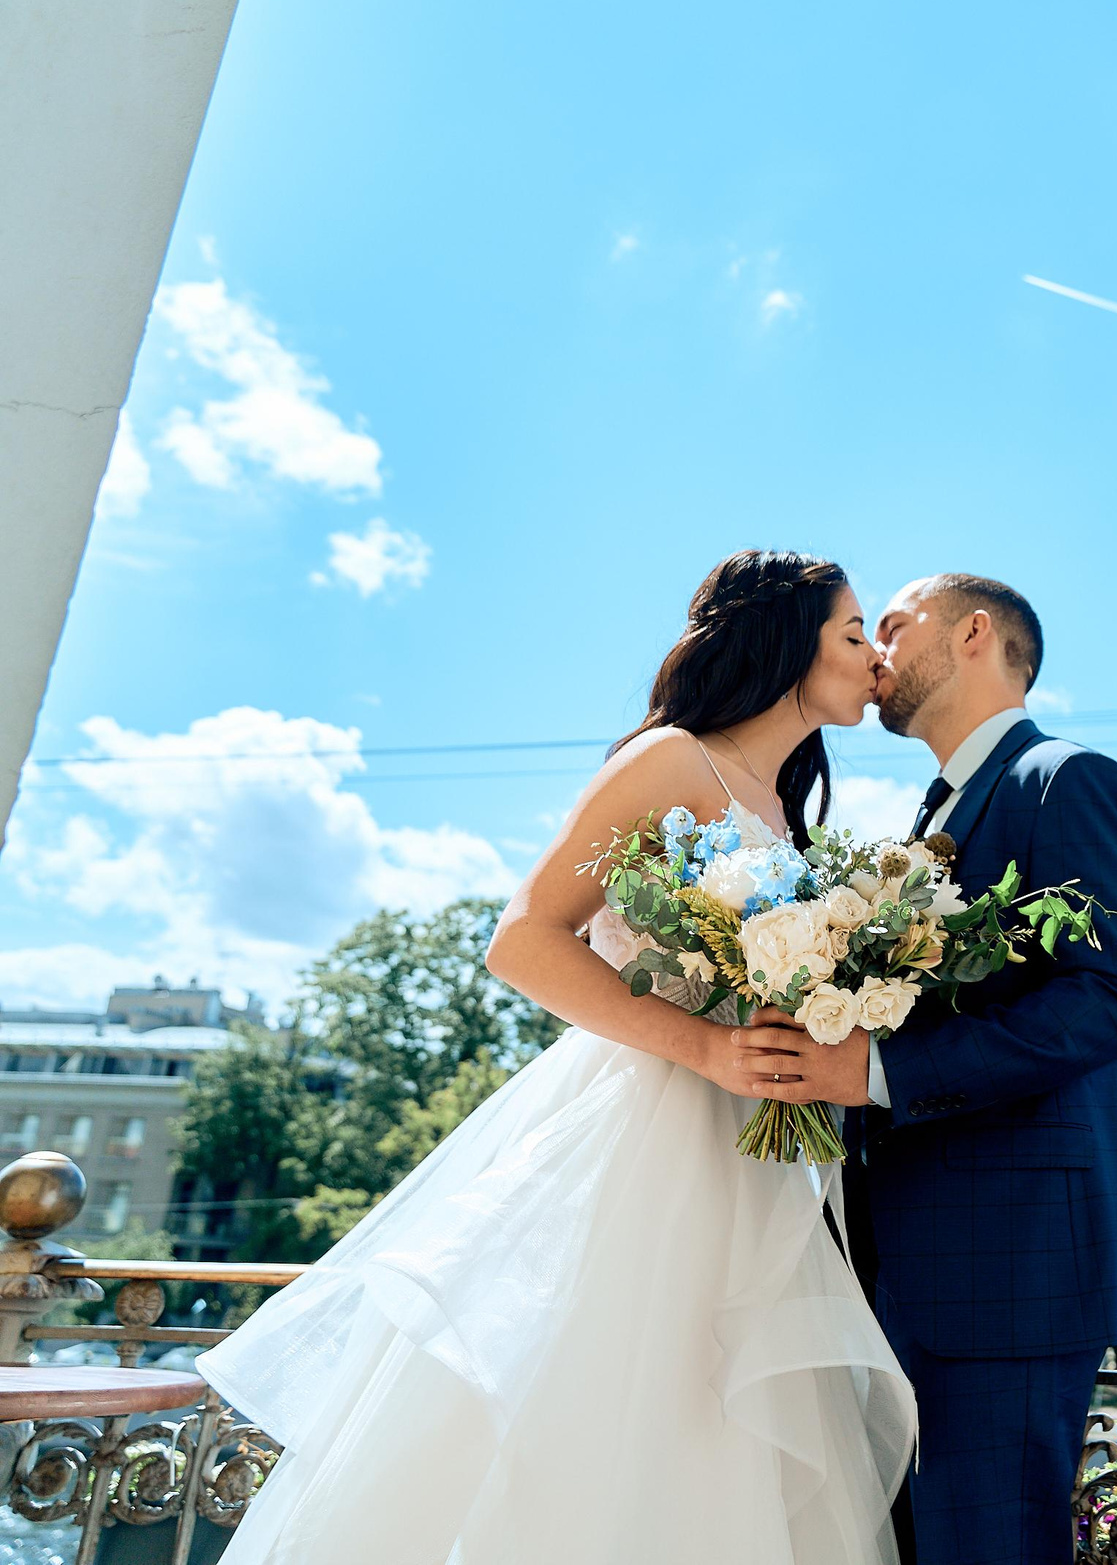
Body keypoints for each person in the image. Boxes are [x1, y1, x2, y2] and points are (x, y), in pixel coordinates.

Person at [196, 549, 914, 1565]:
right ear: (787, 642)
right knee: (595, 1415)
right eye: (852, 635)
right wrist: (706, 1047)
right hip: (639, 1135)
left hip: (748, 1153)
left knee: (710, 1425)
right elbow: (525, 937)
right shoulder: (671, 760)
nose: (874, 659)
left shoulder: (784, 804)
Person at [850, 573, 1117, 1565]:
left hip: (1010, 1271)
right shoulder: (932, 812)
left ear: (974, 633)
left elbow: (1112, 999)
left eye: (891, 626)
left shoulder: (1066, 779)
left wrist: (876, 1074)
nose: (873, 652)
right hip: (909, 1268)